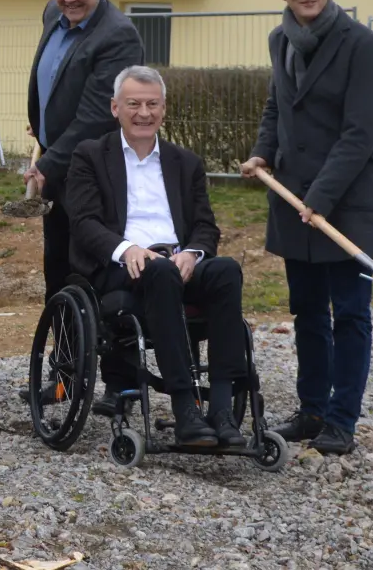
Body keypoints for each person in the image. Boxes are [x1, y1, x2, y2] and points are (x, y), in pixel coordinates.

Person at [241, 0, 373, 456]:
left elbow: (361, 133)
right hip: (293, 201)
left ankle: (342, 419)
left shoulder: (361, 45)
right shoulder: (280, 39)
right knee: (307, 311)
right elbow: (275, 107)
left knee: (350, 313)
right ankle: (311, 410)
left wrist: (321, 197)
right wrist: (263, 154)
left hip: (344, 203)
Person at [66, 65, 248, 447]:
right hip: (121, 267)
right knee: (160, 272)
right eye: (134, 104)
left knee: (227, 270)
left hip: (176, 263)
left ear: (164, 109)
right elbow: (84, 222)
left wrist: (194, 254)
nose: (143, 113)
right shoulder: (90, 155)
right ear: (115, 107)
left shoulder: (185, 162)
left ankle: (220, 408)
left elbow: (205, 225)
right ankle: (185, 408)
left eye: (152, 104)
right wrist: (126, 248)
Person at [25, 0, 144, 303]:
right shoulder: (53, 13)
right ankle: (64, 349)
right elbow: (57, 79)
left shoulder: (118, 36)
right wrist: (42, 124)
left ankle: (96, 349)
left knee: (86, 265)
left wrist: (46, 163)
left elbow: (95, 118)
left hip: (93, 171)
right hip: (57, 163)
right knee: (56, 262)